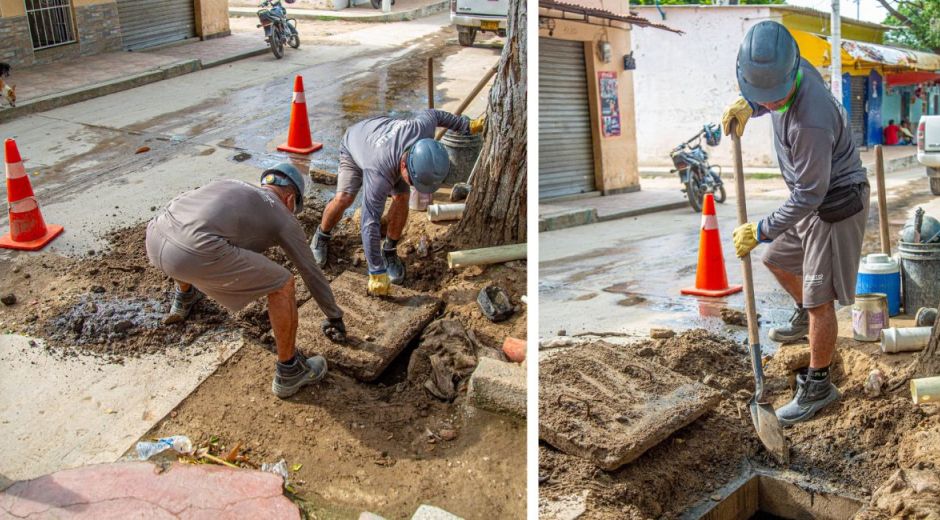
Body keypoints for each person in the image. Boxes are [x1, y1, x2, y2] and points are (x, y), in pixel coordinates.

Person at [722, 21, 869, 426]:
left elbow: (809, 195)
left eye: (771, 98)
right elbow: (769, 95)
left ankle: (820, 385)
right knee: (777, 260)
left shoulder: (811, 119)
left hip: (832, 207)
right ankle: (805, 314)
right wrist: (749, 105)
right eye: (759, 94)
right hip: (809, 200)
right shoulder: (793, 65)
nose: (769, 104)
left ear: (790, 76)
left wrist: (760, 228)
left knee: (821, 300)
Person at [145, 163, 345, 399]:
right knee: (283, 283)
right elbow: (310, 271)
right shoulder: (282, 214)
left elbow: (191, 218)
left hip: (155, 236)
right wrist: (334, 315)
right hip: (192, 254)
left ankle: (184, 296)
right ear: (290, 200)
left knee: (192, 236)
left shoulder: (229, 184)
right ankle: (290, 370)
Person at [310, 109, 484, 296]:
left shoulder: (422, 129)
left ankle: (390, 251)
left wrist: (466, 125)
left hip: (381, 139)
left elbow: (435, 114)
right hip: (355, 145)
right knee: (345, 197)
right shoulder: (379, 174)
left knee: (402, 197)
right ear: (404, 166)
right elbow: (369, 221)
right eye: (413, 181)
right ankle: (321, 236)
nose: (414, 186)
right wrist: (376, 271)